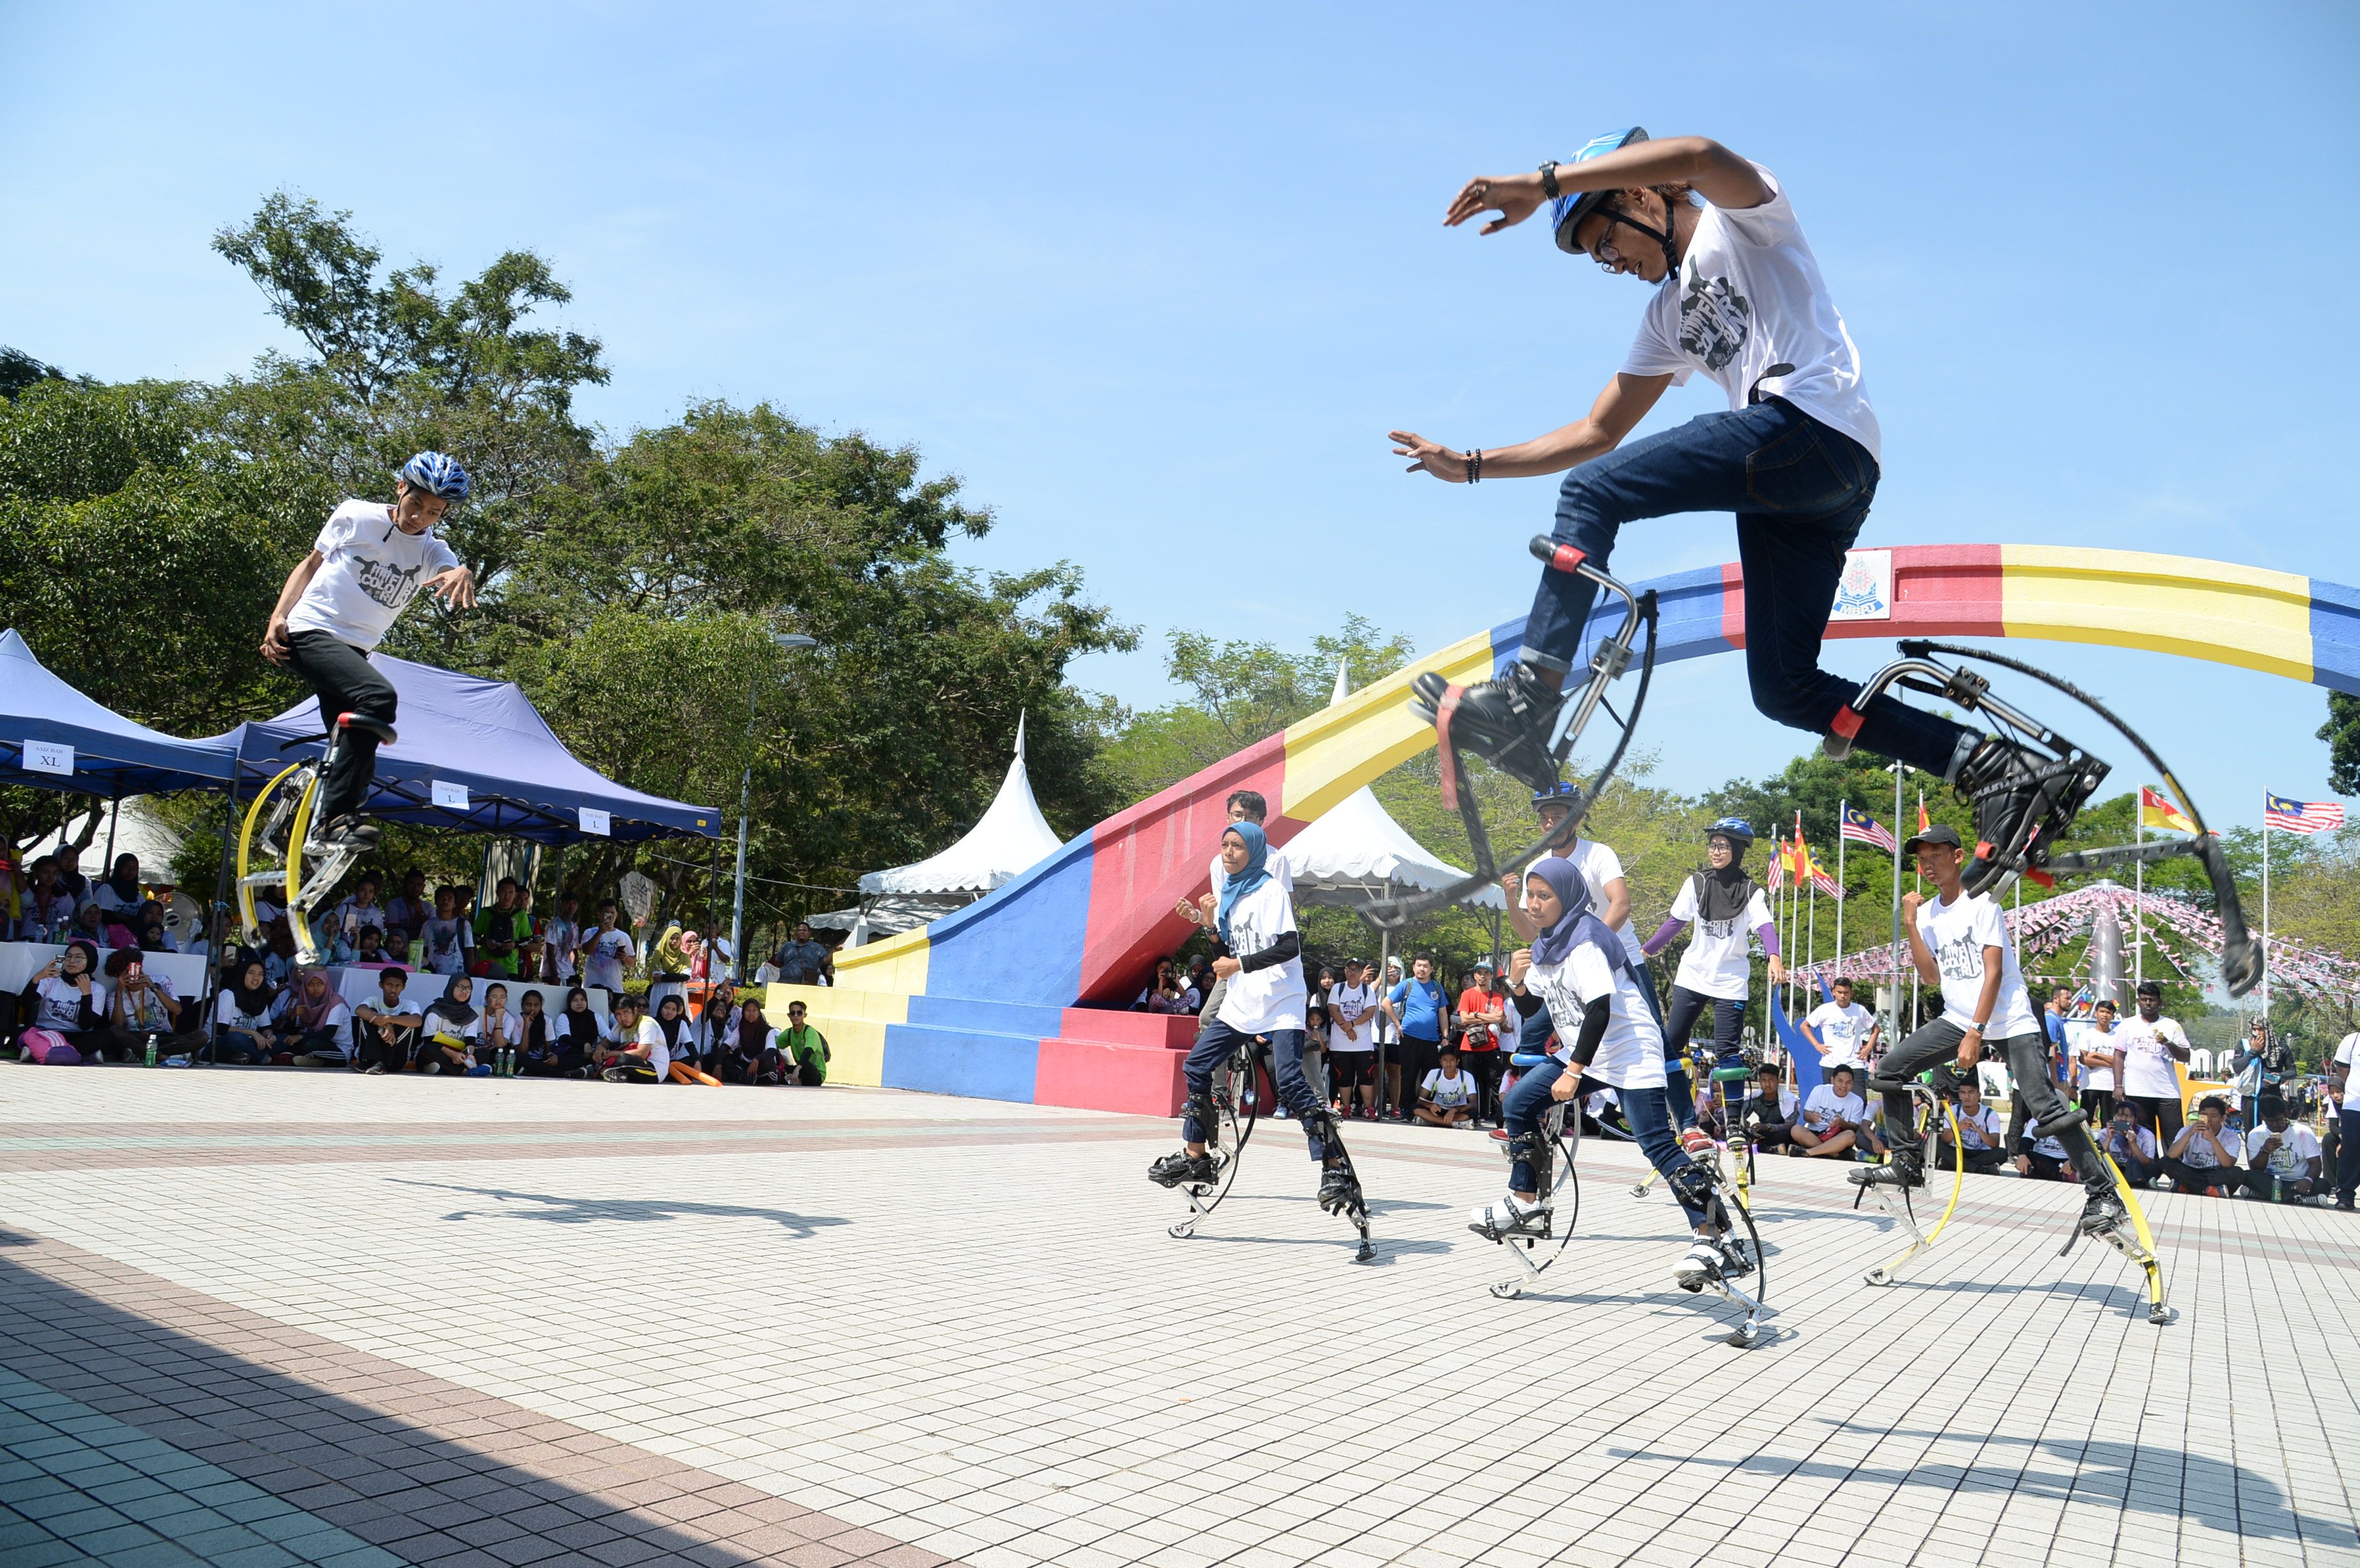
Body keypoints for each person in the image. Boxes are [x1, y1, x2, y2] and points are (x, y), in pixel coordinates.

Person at [1391, 129, 2068, 873]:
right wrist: (1476, 465)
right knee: (1784, 687)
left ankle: (1531, 698)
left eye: (1606, 238)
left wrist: (1544, 182)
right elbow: (1596, 429)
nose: (1611, 262)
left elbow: (1702, 155)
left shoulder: (1744, 222)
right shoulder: (1664, 315)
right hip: (1811, 489)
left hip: (1807, 427)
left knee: (1592, 493)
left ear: (1644, 194)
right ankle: (1993, 766)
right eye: (1595, 257)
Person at [1852, 824, 2130, 1241]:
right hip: (1958, 1016)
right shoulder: (1927, 914)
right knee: (1888, 1071)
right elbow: (1930, 976)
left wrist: (1976, 1033)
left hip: (2010, 1019)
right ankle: (1908, 1163)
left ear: (1958, 857)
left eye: (1937, 857)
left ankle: (2104, 1193)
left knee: (2044, 1103)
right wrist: (1910, 923)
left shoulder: (1983, 905)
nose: (1928, 866)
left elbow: (1995, 972)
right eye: (1922, 860)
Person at [1472, 857, 1736, 1288]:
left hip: (1630, 1048)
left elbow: (1600, 1009)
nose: (1534, 905)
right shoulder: (1546, 944)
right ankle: (1524, 1201)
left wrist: (1574, 1072)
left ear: (1569, 897)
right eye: (1530, 896)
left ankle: (1713, 1235)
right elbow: (1531, 1009)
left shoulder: (1585, 940)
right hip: (1589, 1049)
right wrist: (1516, 982)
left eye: (1544, 896)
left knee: (1656, 1144)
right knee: (1517, 1103)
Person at [258, 451, 478, 852]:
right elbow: (310, 565)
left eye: (433, 513)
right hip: (311, 630)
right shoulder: (357, 515)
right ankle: (337, 819)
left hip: (355, 651)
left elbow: (450, 568)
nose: (420, 518)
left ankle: (300, 828)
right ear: (401, 489)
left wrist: (462, 571)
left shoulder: (431, 551)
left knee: (354, 739)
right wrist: (278, 616)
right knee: (378, 698)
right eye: (415, 504)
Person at [1151, 822, 1359, 1214]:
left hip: (1281, 999)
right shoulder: (1231, 891)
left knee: (1292, 1082)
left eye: (1237, 847)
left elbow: (1288, 946)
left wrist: (1239, 964)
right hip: (1244, 1003)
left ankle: (1333, 1167)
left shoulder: (1270, 889)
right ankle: (1196, 1155)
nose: (1228, 853)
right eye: (1224, 845)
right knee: (1197, 1065)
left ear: (1256, 852)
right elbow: (1227, 948)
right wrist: (1210, 925)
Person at [1644, 820, 1782, 1093]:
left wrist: (1774, 957)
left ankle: (1733, 1124)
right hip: (1693, 973)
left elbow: (1765, 927)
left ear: (1738, 850)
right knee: (1671, 1044)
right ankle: (1670, 1108)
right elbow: (1675, 922)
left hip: (1730, 979)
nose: (1716, 852)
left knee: (1727, 1052)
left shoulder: (1751, 891)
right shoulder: (1697, 883)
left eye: (1723, 846)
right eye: (1713, 845)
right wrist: (1645, 950)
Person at [2110, 981, 2191, 1154]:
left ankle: (2176, 1177)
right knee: (2143, 1137)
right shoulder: (2127, 1025)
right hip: (2137, 1091)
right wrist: (2118, 1085)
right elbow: (2118, 1056)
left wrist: (2169, 1044)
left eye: (2152, 1000)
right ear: (2138, 1002)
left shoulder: (2171, 1026)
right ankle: (2148, 1176)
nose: (2148, 1003)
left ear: (2160, 1002)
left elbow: (2186, 1056)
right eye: (2144, 999)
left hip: (2167, 1092)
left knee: (2174, 1137)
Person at [98, 950, 201, 1062]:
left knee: (201, 1036)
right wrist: (119, 991)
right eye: (127, 973)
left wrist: (153, 987)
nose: (133, 975)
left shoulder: (161, 981)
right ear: (117, 976)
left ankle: (141, 1054)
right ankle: (162, 1057)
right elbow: (117, 1025)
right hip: (135, 1038)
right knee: (114, 1031)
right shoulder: (114, 996)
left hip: (162, 1036)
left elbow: (177, 1010)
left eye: (136, 970)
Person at [1382, 956, 1449, 1124]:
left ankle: (1428, 1113)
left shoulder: (1437, 987)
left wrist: (1446, 1037)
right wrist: (1398, 1024)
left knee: (1430, 1078)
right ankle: (1407, 1111)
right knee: (1408, 1076)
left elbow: (1442, 1013)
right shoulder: (1407, 984)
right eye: (1419, 965)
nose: (1422, 969)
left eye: (1425, 966)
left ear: (1432, 969)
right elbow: (1386, 1003)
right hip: (1409, 1038)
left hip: (1431, 1040)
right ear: (1413, 967)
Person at [20, 940, 108, 1060]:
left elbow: (85, 1025)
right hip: (47, 1033)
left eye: (78, 958)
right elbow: (26, 1003)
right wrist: (37, 978)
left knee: (107, 1035)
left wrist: (86, 994)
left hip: (77, 1035)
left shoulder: (97, 989)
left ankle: (38, 1052)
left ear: (91, 961)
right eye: (69, 957)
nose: (72, 961)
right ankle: (83, 1054)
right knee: (19, 1032)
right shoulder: (51, 980)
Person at [1454, 960, 1507, 1127]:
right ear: (1475, 976)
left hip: (1491, 1045)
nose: (1482, 976)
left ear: (1491, 976)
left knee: (1497, 1082)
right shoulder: (1467, 995)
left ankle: (1502, 1120)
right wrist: (1486, 1016)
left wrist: (1475, 1014)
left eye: (1486, 973)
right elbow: (1464, 1018)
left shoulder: (1497, 996)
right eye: (1479, 973)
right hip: (1469, 1046)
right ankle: (1472, 1117)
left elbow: (1499, 1018)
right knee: (1470, 1083)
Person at [2239, 1099, 2322, 1203]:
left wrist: (2308, 1179)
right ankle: (2295, 1198)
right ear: (2262, 1117)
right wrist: (2265, 1151)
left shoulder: (2303, 1132)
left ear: (2286, 1114)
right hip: (2271, 1181)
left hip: (2298, 1181)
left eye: (2279, 1120)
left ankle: (2267, 1195)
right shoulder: (2256, 1134)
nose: (2275, 1125)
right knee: (2248, 1176)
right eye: (2270, 1121)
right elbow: (2255, 1169)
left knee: (2323, 1185)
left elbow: (2316, 1163)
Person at [1324, 959, 1377, 1119]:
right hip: (1340, 1043)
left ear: (1361, 972)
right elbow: (1333, 1009)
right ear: (1346, 971)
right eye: (1350, 969)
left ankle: (1368, 1108)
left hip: (1363, 1044)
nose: (1353, 972)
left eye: (1356, 969)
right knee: (1344, 1077)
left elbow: (1370, 1012)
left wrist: (1352, 1024)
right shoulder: (1338, 989)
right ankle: (1346, 1106)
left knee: (1366, 1077)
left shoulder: (1368, 991)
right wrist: (1346, 1028)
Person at [2160, 1097, 2243, 1196]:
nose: (2209, 1120)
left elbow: (2228, 1164)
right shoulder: (2187, 1130)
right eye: (2204, 1115)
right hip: (2190, 1170)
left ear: (2223, 1118)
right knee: (2165, 1161)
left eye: (2214, 1116)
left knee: (2238, 1173)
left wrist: (2213, 1140)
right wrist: (2190, 1133)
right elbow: (2172, 1155)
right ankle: (2208, 1190)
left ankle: (2187, 1187)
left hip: (2214, 1173)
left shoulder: (2231, 1137)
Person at [1803, 977, 1877, 1077]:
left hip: (1854, 1063)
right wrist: (1816, 1044)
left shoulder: (1860, 1010)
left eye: (1846, 993)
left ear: (1851, 993)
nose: (1843, 996)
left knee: (1859, 1093)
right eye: (1840, 992)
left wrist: (1868, 1048)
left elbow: (1876, 1029)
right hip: (1831, 1063)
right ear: (1834, 992)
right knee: (1831, 1092)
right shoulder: (1824, 1009)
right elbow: (1804, 1026)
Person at [1789, 1064, 1866, 1159]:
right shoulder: (1820, 1090)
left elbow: (1854, 1128)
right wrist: (1812, 1117)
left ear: (1852, 1084)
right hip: (1815, 1134)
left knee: (1850, 1136)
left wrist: (1841, 1123)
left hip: (1837, 1137)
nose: (1844, 1086)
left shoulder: (1857, 1101)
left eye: (1848, 1082)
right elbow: (1806, 1116)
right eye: (1840, 1081)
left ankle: (1809, 1152)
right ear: (1832, 1080)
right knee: (1796, 1130)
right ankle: (1834, 1154)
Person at [352, 967, 421, 1074]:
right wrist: (387, 1025)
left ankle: (379, 1063)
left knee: (406, 1016)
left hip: (395, 1061)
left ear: (404, 987)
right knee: (369, 1013)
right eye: (389, 985)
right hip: (367, 1058)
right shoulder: (373, 1000)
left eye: (398, 986)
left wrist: (388, 1019)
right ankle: (377, 1061)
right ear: (381, 985)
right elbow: (359, 1010)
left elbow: (417, 1021)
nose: (393, 990)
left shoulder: (409, 1004)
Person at [279, 967, 354, 1064]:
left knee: (310, 1044)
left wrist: (300, 1037)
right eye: (311, 984)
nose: (316, 989)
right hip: (316, 1042)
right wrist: (293, 1016)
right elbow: (291, 1031)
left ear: (326, 984)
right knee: (286, 1039)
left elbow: (328, 1034)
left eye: (320, 984)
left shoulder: (336, 1003)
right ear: (305, 985)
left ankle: (305, 1058)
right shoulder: (305, 1001)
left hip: (339, 1050)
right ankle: (316, 1062)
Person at [213, 957, 280, 1066]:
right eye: (251, 973)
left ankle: (244, 1057)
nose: (256, 978)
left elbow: (265, 1028)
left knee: (282, 1039)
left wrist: (269, 1036)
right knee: (236, 1038)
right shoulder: (228, 995)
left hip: (249, 1043)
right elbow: (220, 1028)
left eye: (261, 974)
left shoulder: (260, 998)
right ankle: (263, 1058)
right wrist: (253, 1033)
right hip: (217, 1044)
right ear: (243, 974)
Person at [1932, 1079, 2006, 1175]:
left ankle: (1954, 1164)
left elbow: (1994, 1144)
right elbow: (1945, 1139)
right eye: (1963, 1093)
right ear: (1959, 1095)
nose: (1967, 1097)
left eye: (1971, 1093)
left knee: (2002, 1153)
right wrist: (1957, 1128)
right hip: (1958, 1150)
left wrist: (1977, 1128)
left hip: (1980, 1152)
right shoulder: (1953, 1111)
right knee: (1938, 1146)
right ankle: (1979, 1169)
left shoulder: (1990, 1114)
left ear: (1979, 1095)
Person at [416, 976, 480, 1075]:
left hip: (459, 1054)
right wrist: (453, 1055)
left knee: (483, 1053)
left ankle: (438, 1069)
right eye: (461, 987)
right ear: (451, 988)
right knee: (427, 1049)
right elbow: (428, 1041)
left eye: (468, 988)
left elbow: (470, 1041)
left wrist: (469, 1055)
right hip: (439, 1052)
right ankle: (464, 1071)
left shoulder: (471, 1015)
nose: (465, 991)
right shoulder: (435, 1011)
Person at [473, 878, 531, 981]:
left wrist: (514, 945)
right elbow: (473, 937)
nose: (507, 896)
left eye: (511, 892)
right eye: (503, 892)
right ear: (497, 893)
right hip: (486, 964)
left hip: (510, 967)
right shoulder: (486, 912)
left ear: (515, 894)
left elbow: (527, 940)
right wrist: (485, 942)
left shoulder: (520, 914)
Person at [2096, 1101, 2162, 1190]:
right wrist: (2109, 1138)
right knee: (2097, 1167)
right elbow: (2098, 1157)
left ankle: (2140, 1180)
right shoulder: (2105, 1133)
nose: (2123, 1119)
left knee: (2156, 1167)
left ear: (2135, 1119)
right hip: (2117, 1169)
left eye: (2128, 1116)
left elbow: (2147, 1162)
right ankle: (2139, 1181)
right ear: (2114, 1117)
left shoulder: (2146, 1135)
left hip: (2138, 1169)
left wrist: (2133, 1144)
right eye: (2119, 1115)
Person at [2078, 999, 2122, 1126]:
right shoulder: (2086, 1034)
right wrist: (2109, 1064)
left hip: (2110, 1085)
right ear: (2096, 1013)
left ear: (2112, 1016)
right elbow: (2084, 1059)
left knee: (2108, 1122)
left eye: (2108, 1013)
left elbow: (2118, 1060)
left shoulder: (2117, 1037)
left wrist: (2097, 1055)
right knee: (2085, 1121)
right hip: (2090, 1084)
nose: (2105, 1015)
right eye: (2102, 1011)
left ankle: (2106, 1145)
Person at [601, 993, 664, 1083]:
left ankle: (607, 1071)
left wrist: (611, 1054)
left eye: (626, 1012)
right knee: (600, 1055)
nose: (623, 1017)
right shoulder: (620, 1026)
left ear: (635, 1010)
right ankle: (617, 1074)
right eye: (618, 1014)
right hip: (633, 1066)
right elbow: (607, 1040)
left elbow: (642, 1053)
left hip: (654, 1069)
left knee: (623, 1059)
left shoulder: (647, 1024)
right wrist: (600, 1048)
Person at [1737, 1062, 1798, 1153]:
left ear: (1778, 1081)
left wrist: (1769, 1127)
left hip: (1781, 1132)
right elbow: (1741, 1117)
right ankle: (1772, 1149)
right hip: (1763, 1132)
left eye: (1771, 1080)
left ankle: (1765, 1148)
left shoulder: (1788, 1099)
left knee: (1786, 1135)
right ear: (1760, 1082)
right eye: (1764, 1081)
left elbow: (1791, 1124)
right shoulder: (1754, 1098)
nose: (1767, 1085)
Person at [581, 900, 636, 996]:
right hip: (592, 985)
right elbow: (586, 951)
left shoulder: (623, 936)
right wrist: (600, 932)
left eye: (613, 913)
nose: (610, 916)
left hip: (615, 987)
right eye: (607, 913)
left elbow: (632, 963)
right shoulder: (590, 932)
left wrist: (625, 957)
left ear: (617, 914)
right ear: (599, 914)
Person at [1416, 1044, 1478, 1127]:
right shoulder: (1434, 1073)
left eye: (1452, 1060)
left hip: (1458, 1111)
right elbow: (1420, 1100)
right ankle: (1455, 1124)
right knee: (1415, 1108)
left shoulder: (1467, 1076)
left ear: (1457, 1062)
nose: (1448, 1064)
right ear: (1440, 1062)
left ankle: (1432, 1121)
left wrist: (1455, 1109)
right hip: (1438, 1110)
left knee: (1473, 1113)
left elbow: (1474, 1103)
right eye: (1445, 1060)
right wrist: (1430, 1105)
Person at [418, 887, 474, 977]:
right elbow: (423, 949)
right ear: (436, 901)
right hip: (432, 972)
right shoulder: (428, 925)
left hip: (457, 973)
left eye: (450, 898)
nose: (445, 901)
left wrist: (472, 975)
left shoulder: (464, 924)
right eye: (442, 898)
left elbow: (469, 950)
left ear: (455, 903)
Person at [2333, 1029, 2359, 1212]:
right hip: (2355, 1104)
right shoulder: (2352, 1040)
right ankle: (2346, 1194)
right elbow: (2342, 1068)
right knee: (2351, 1147)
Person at [780, 999, 830, 1085]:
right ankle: (794, 1080)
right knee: (777, 1062)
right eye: (793, 1013)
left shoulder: (809, 1031)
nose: (796, 1016)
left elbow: (808, 1051)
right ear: (789, 1015)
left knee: (806, 1065)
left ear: (805, 1015)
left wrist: (797, 1069)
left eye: (799, 1013)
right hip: (800, 1069)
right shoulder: (789, 1033)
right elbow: (773, 1046)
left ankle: (796, 1080)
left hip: (815, 1073)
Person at [540, 892, 583, 984]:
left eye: (575, 903)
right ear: (563, 904)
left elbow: (574, 951)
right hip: (551, 973)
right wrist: (555, 975)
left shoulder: (574, 928)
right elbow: (550, 951)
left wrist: (574, 969)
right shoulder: (553, 925)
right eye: (569, 903)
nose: (572, 906)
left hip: (568, 972)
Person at [91, 853, 144, 926]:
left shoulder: (139, 896)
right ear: (119, 868)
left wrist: (120, 915)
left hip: (132, 937)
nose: (131, 871)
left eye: (135, 868)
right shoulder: (107, 889)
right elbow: (105, 916)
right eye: (127, 867)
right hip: (106, 936)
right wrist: (130, 920)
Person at [474, 983, 518, 1069]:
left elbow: (500, 1045)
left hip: (494, 1053)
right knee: (481, 1054)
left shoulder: (509, 1019)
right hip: (475, 1050)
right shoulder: (476, 1011)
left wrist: (498, 1019)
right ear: (486, 999)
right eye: (494, 997)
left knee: (509, 1054)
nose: (499, 1001)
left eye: (503, 997)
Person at [772, 921, 829, 987]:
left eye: (804, 930)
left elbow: (827, 959)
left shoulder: (817, 947)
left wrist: (836, 950)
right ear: (796, 933)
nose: (802, 932)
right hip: (784, 983)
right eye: (799, 930)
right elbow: (778, 962)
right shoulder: (788, 946)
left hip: (806, 985)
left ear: (809, 933)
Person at [384, 869, 432, 946]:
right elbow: (394, 932)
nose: (415, 888)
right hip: (397, 949)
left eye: (419, 885)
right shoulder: (394, 905)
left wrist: (421, 913)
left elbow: (431, 932)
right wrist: (420, 932)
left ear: (423, 887)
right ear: (405, 884)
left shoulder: (429, 907)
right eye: (412, 884)